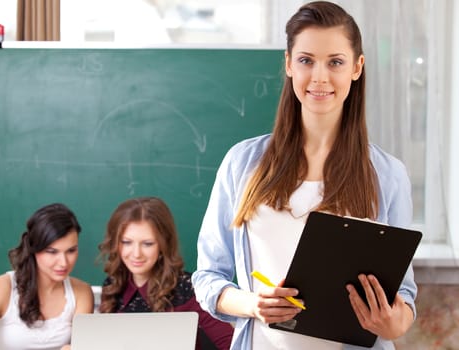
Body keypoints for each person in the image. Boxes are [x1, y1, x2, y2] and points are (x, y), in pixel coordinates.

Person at [191, 1, 417, 349]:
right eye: (306, 60)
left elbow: (402, 297)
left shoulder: (387, 175)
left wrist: (391, 323)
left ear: (357, 67)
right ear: (288, 64)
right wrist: (254, 304)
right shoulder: (242, 163)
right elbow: (208, 277)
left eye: (336, 62)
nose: (319, 77)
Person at [0, 203, 94, 350]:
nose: (63, 262)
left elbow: (82, 346)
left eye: (71, 251)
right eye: (52, 252)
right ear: (34, 249)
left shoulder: (81, 293)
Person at [98, 196, 233, 350]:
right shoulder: (112, 286)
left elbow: (232, 345)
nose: (136, 254)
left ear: (163, 244)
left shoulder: (189, 289)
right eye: (126, 242)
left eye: (147, 244)